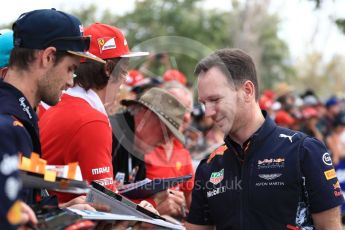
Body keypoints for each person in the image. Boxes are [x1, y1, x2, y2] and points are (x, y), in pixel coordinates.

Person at [186, 48, 344, 230]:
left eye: (215, 100)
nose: (208, 112)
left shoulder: (304, 151)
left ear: (247, 90)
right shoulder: (210, 166)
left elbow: (330, 227)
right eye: (204, 103)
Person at [0, 9, 104, 229]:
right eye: (70, 69)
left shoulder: (19, 116)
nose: (70, 82)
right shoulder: (7, 127)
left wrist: (62, 212)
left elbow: (20, 204)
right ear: (47, 57)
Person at [39, 22, 148, 203]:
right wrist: (152, 205)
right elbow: (105, 204)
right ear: (108, 69)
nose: (125, 78)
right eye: (124, 68)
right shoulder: (91, 120)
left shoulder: (60, 105)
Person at [110, 87, 188, 214]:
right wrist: (154, 205)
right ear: (146, 115)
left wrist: (157, 199)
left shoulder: (137, 147)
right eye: (165, 133)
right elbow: (97, 197)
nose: (165, 142)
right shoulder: (110, 132)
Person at [144, 82, 195, 214]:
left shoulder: (183, 153)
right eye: (179, 108)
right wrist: (155, 210)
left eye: (189, 110)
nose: (187, 116)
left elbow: (195, 207)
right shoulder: (141, 146)